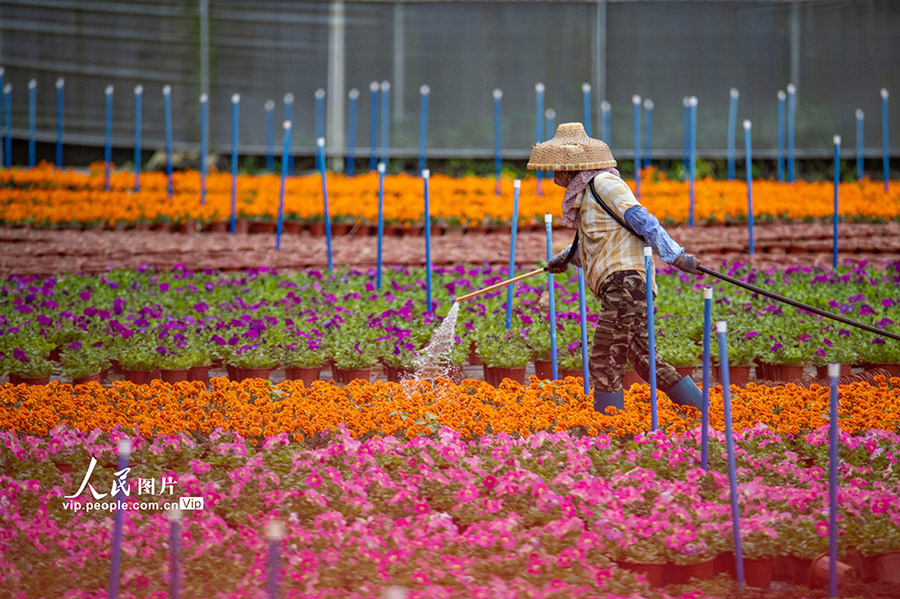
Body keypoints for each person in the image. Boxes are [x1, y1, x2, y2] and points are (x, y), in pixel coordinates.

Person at [527, 122, 703, 413]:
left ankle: (608, 426)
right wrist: (565, 259)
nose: (555, 173)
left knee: (606, 355)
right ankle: (702, 411)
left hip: (626, 283)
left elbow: (641, 219)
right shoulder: (588, 194)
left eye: (559, 167)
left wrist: (675, 255)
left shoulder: (604, 184)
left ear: (574, 166)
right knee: (646, 361)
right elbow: (600, 240)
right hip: (624, 285)